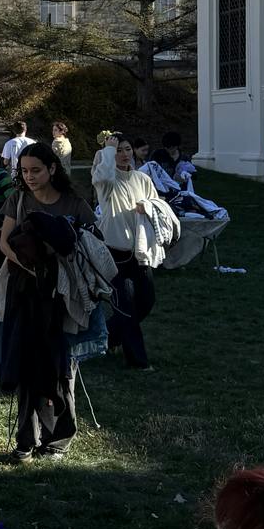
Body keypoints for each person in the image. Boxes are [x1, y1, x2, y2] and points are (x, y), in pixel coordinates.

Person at [0, 143, 94, 459]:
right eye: (24, 171)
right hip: (25, 291)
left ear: (52, 168)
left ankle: (57, 439)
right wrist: (31, 267)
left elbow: (91, 244)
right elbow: (5, 244)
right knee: (25, 363)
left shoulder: (74, 202)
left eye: (36, 170)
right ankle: (25, 439)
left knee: (60, 366)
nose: (30, 177)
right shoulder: (18, 199)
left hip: (63, 296)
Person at [90, 136, 175, 370]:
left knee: (146, 301)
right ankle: (138, 361)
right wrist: (107, 149)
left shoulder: (142, 178)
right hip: (113, 253)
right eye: (118, 150)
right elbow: (104, 174)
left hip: (140, 250)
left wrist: (147, 207)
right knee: (125, 305)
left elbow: (157, 206)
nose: (124, 154)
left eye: (127, 149)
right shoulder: (104, 180)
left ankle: (108, 337)